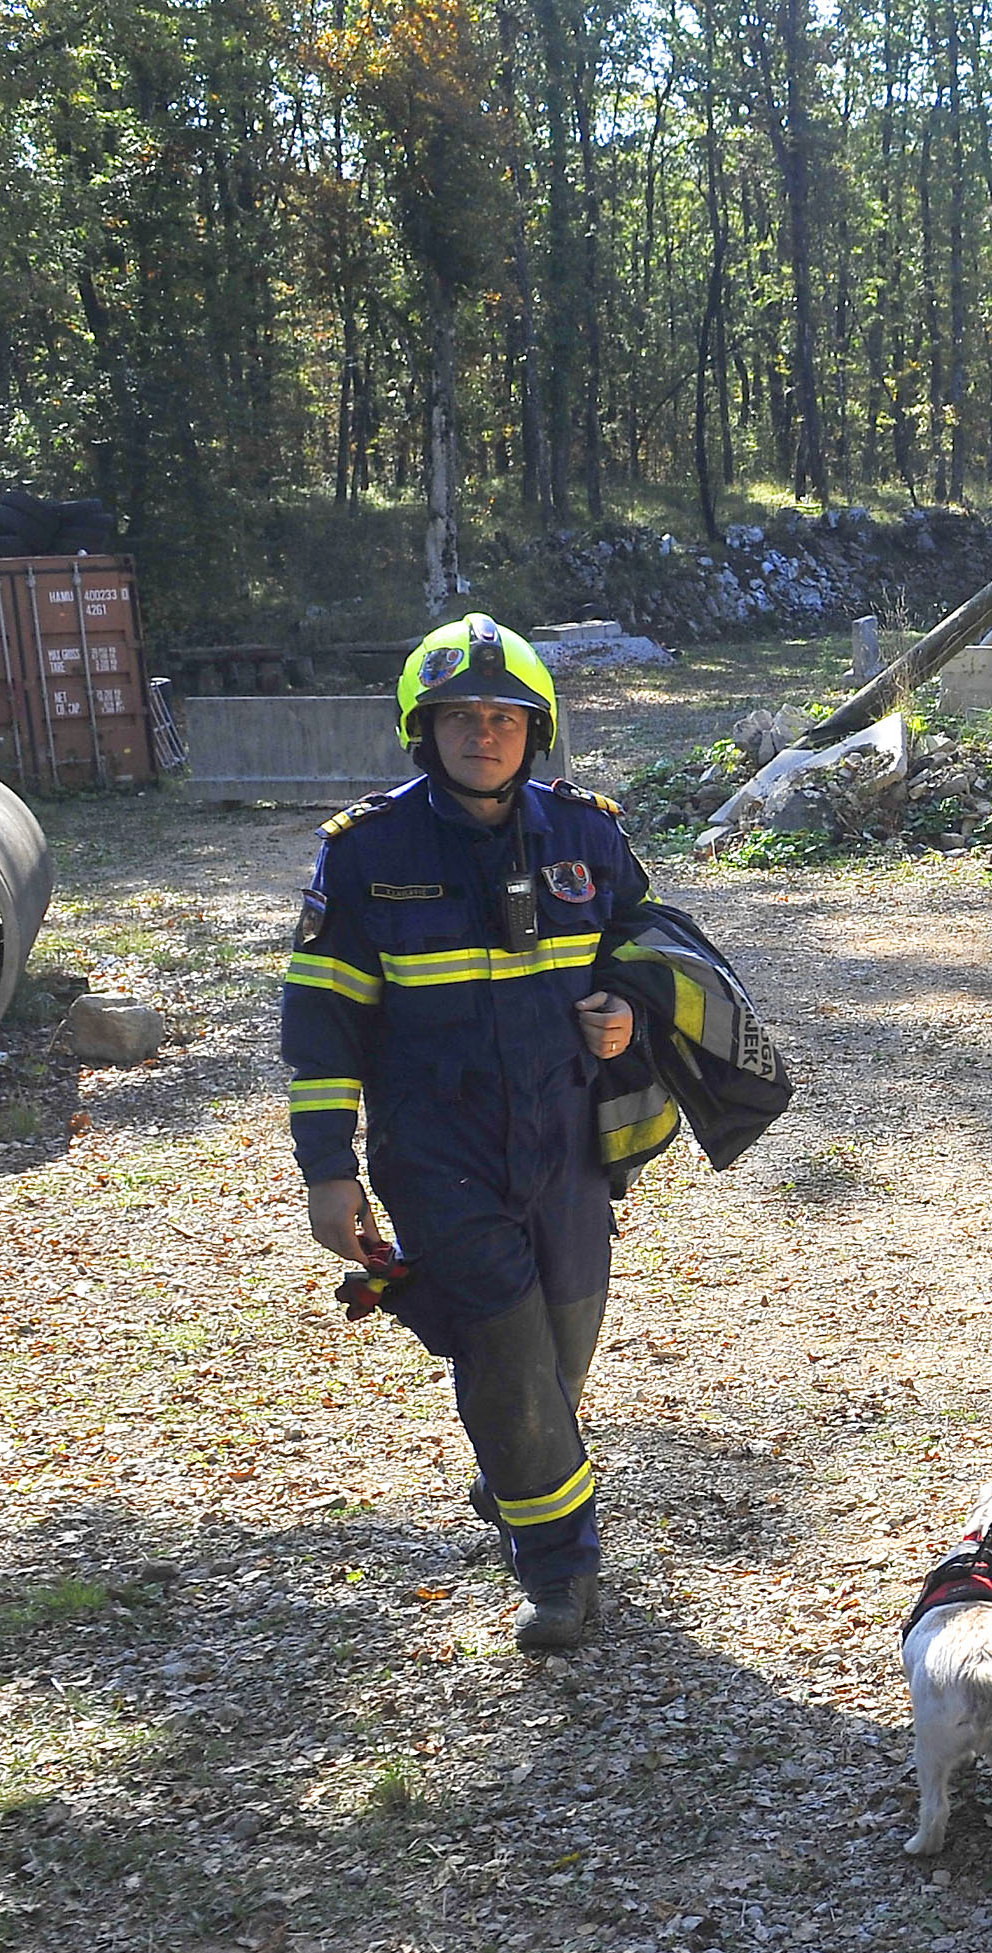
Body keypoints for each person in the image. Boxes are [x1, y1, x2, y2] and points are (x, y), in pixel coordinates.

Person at [280, 614, 646, 1654]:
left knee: (557, 1354)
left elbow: (651, 949)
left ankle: (515, 1471)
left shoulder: (589, 833)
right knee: (509, 1352)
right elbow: (322, 1023)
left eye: (504, 716)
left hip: (567, 1145)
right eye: (459, 717)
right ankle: (562, 1570)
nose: (482, 734)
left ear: (537, 732)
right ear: (422, 728)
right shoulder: (365, 852)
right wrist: (327, 1172)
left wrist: (625, 1006)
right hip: (436, 1154)